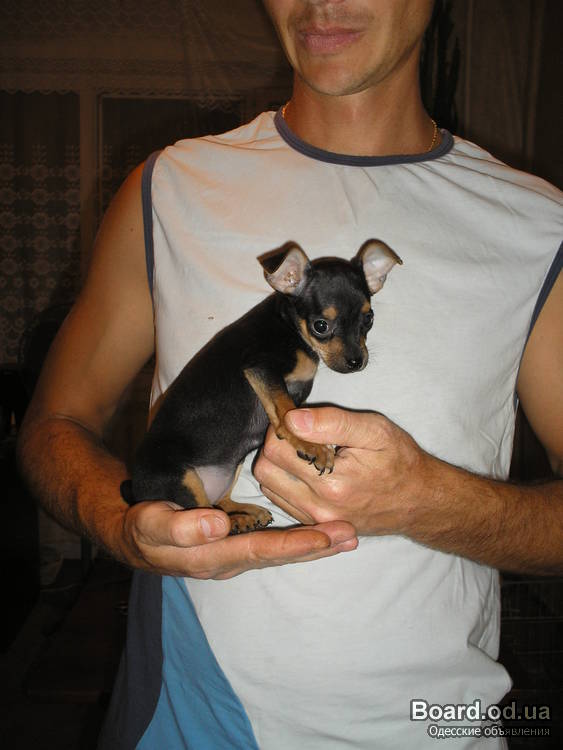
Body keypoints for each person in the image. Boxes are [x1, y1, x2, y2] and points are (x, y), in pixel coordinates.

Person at [17, 0, 562, 748]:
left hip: (438, 728)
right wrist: (123, 524)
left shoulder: (537, 226)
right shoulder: (168, 186)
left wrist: (428, 502)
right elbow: (53, 424)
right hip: (190, 720)